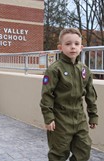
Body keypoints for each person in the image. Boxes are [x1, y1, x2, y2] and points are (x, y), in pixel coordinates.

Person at [40, 28, 98, 161]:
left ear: (81, 47)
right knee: (58, 154)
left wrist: (93, 115)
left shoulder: (85, 70)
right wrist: (49, 118)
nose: (73, 47)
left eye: (76, 44)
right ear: (60, 47)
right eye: (68, 44)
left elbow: (90, 95)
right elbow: (47, 95)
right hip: (60, 120)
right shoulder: (54, 69)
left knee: (84, 150)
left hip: (79, 119)